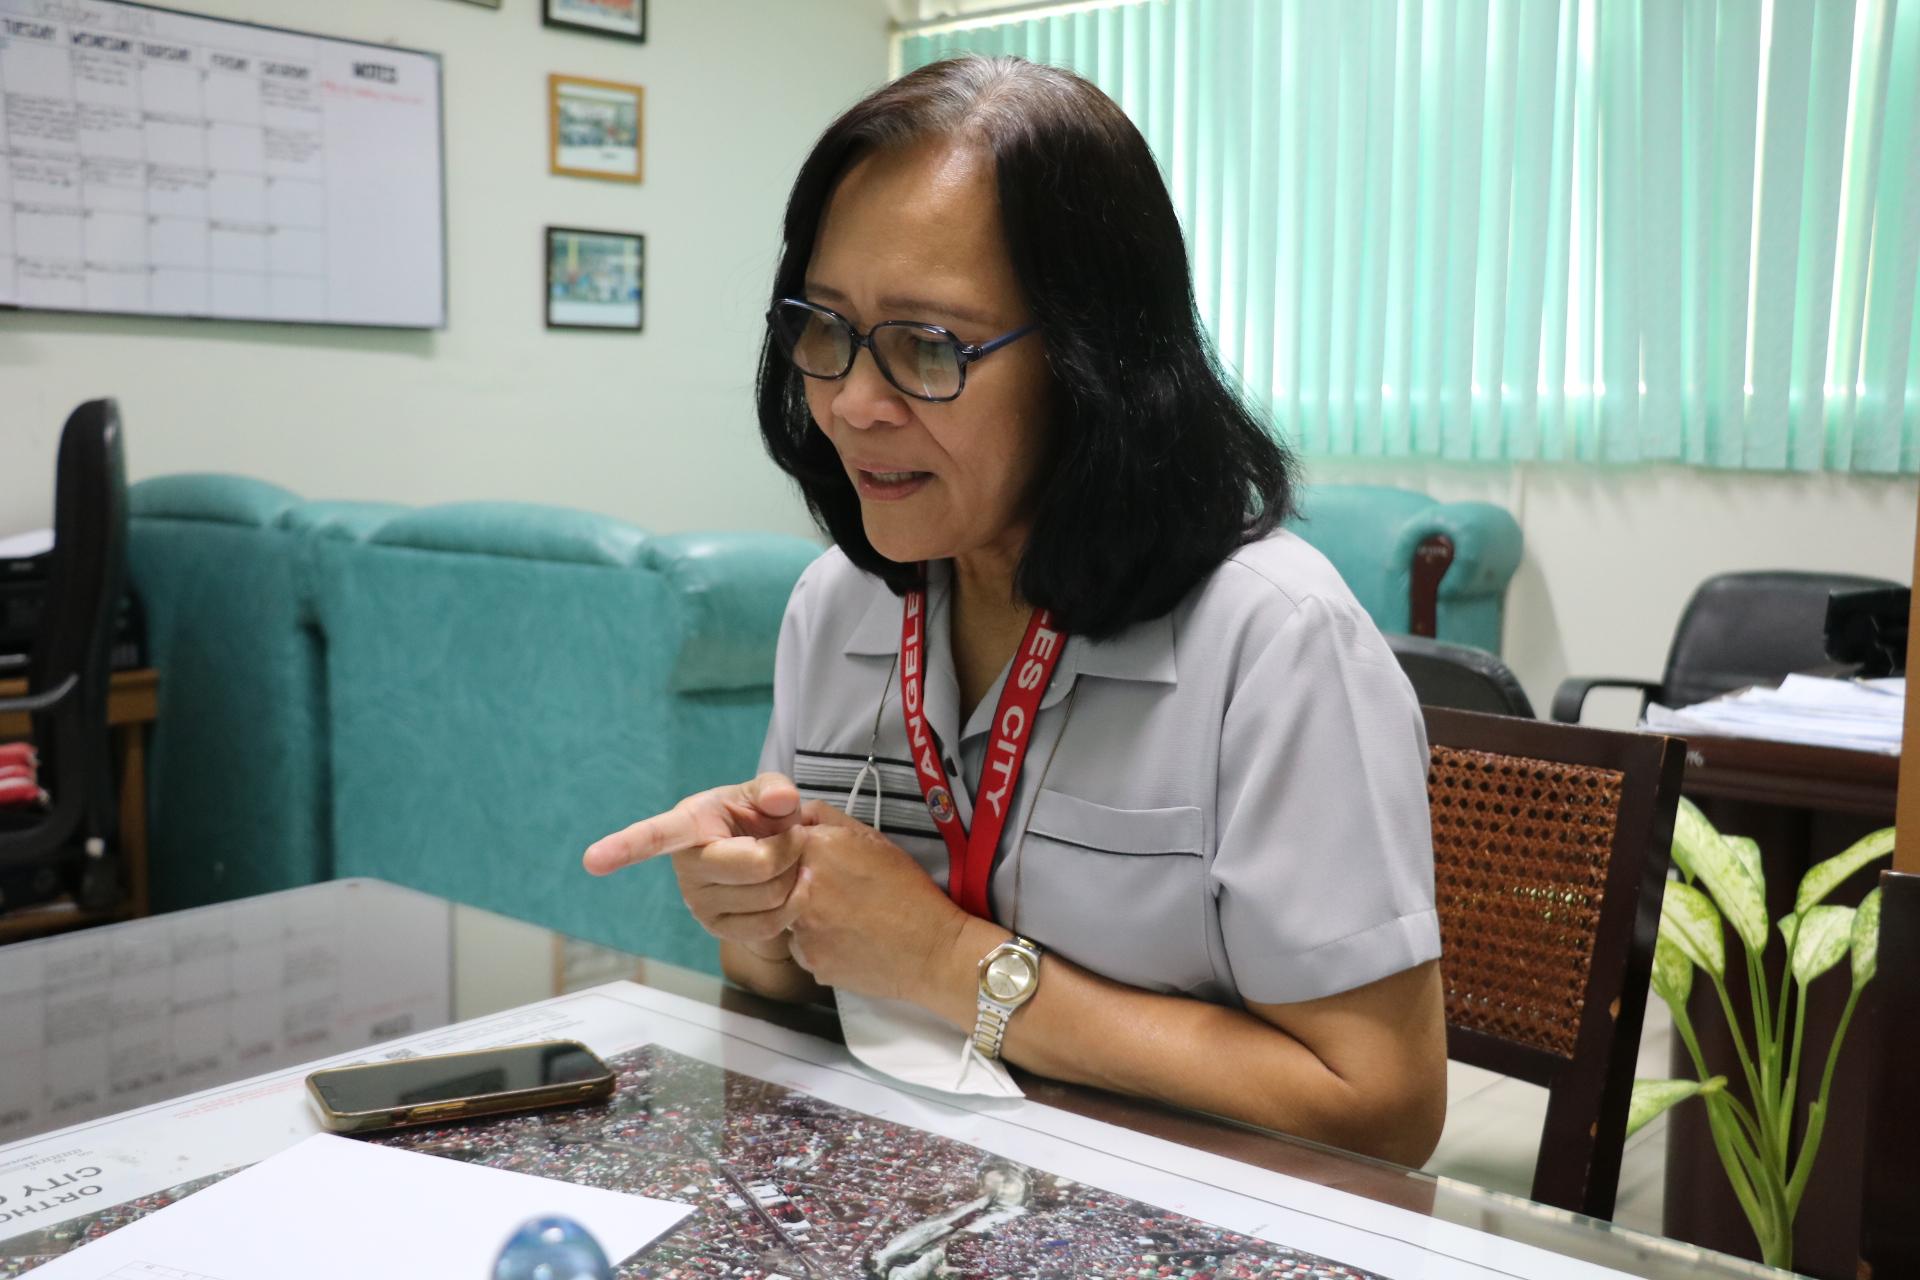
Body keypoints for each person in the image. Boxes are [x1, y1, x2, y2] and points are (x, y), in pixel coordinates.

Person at [585, 55, 1447, 1166]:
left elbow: (1381, 1105)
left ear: (1095, 361)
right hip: (916, 1193)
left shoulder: (1275, 642)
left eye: (927, 346)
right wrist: (757, 912)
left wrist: (948, 959)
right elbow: (802, 989)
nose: (852, 401)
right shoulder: (835, 606)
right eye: (825, 327)